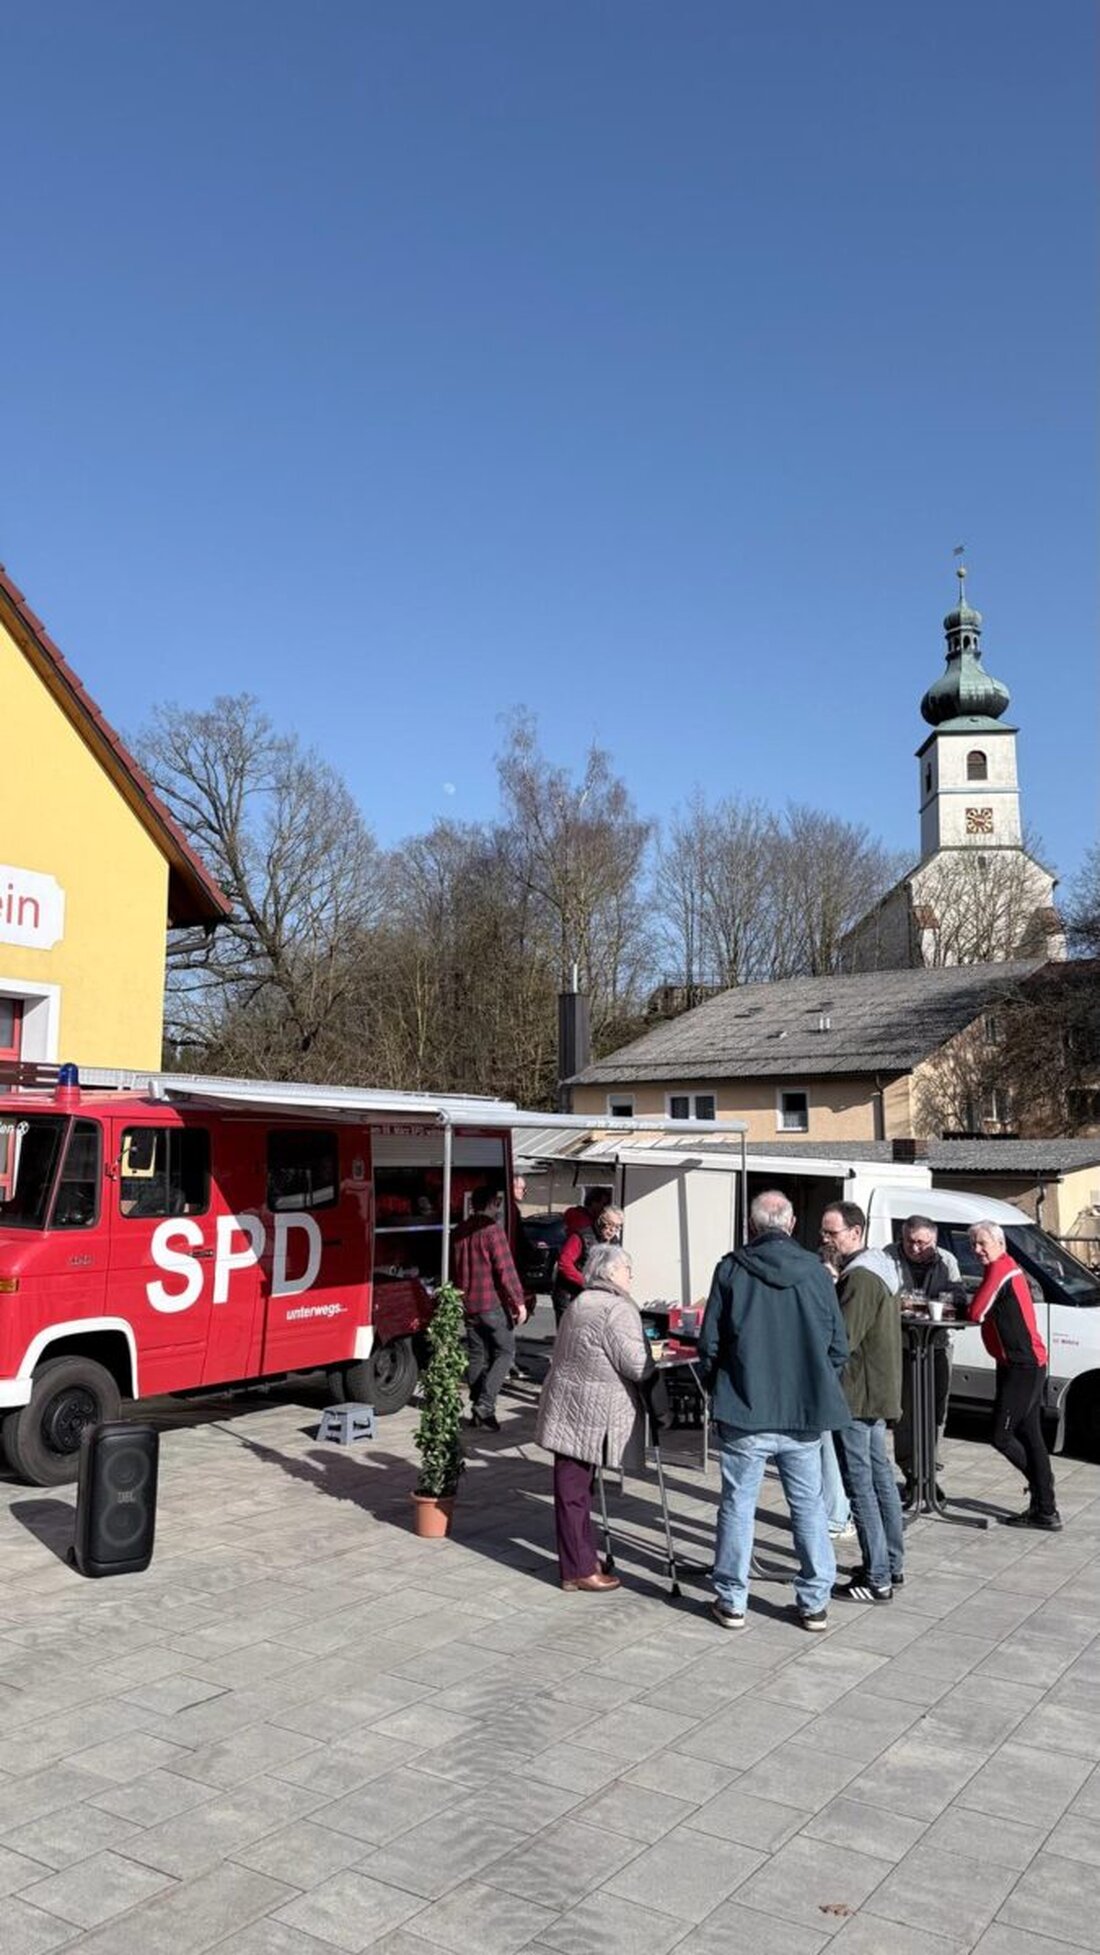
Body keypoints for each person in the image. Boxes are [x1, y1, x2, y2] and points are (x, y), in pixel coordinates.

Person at [698, 1190, 850, 1633]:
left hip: (745, 1407)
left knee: (738, 1506)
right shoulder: (818, 1274)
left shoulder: (730, 1269)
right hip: (802, 1412)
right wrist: (815, 1382)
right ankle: (815, 1601)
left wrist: (717, 1387)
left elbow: (709, 1344)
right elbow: (837, 1346)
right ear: (790, 1224)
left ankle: (732, 1600)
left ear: (751, 1226)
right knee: (807, 1507)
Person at [535, 1241, 651, 1591]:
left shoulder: (581, 1301)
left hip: (569, 1405)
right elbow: (635, 1364)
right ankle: (578, 1569)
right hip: (590, 1411)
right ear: (611, 1272)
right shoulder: (617, 1308)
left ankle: (581, 1560)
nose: (631, 1273)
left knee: (574, 1489)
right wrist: (655, 1357)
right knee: (574, 1492)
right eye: (627, 1268)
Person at [820, 1203, 905, 1605]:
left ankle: (876, 1578)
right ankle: (890, 1563)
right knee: (880, 1479)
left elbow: (843, 1341)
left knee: (862, 1487)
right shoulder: (879, 1268)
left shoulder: (860, 1278)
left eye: (832, 1233)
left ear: (855, 1232)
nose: (827, 1240)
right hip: (876, 1390)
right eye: (824, 1232)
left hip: (857, 1394)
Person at [969, 1221, 1061, 1530]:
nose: (977, 1250)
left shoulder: (1001, 1268)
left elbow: (976, 1312)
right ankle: (1045, 1509)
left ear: (1000, 1243)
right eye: (973, 1244)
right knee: (1030, 1434)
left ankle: (1042, 1492)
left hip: (1023, 1365)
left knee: (1002, 1435)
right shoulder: (1003, 1266)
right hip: (1022, 1363)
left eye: (982, 1243)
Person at [886, 1216, 961, 1507]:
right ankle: (911, 1475)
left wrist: (938, 1301)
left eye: (922, 1243)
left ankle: (929, 1475)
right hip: (902, 1345)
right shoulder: (888, 1256)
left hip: (936, 1345)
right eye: (910, 1242)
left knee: (935, 1412)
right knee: (904, 1413)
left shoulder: (947, 1261)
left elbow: (957, 1295)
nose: (916, 1248)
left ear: (935, 1239)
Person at [451, 1186, 527, 1431]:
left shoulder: (459, 1231)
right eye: (498, 1204)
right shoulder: (492, 1231)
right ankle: (484, 1407)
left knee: (476, 1355)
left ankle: (479, 1409)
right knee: (505, 1352)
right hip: (491, 1304)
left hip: (467, 1303)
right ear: (493, 1202)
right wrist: (519, 1301)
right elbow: (506, 1270)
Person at [551, 1186, 613, 1325]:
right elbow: (564, 1262)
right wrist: (585, 1282)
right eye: (603, 1204)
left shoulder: (595, 1229)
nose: (605, 1208)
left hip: (579, 1294)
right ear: (593, 1203)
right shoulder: (583, 1228)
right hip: (569, 1294)